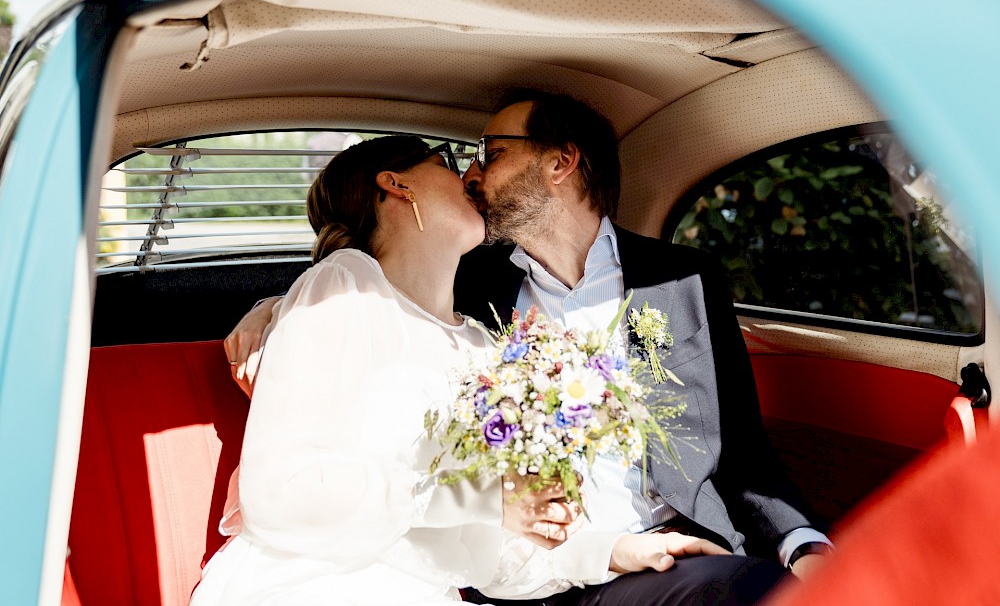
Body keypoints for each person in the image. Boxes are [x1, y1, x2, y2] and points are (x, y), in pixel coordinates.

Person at [226, 93, 832, 604]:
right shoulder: (471, 287)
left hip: (636, 554)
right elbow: (374, 291)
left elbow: (744, 454)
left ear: (562, 162)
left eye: (490, 156)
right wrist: (271, 310)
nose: (471, 176)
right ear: (397, 186)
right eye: (460, 161)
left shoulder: (681, 280)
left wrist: (803, 547)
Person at [190, 135, 584, 605]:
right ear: (397, 184)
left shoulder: (481, 343)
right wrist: (482, 495)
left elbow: (493, 558)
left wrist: (605, 550)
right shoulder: (343, 286)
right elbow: (279, 491)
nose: (471, 178)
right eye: (450, 163)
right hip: (314, 586)